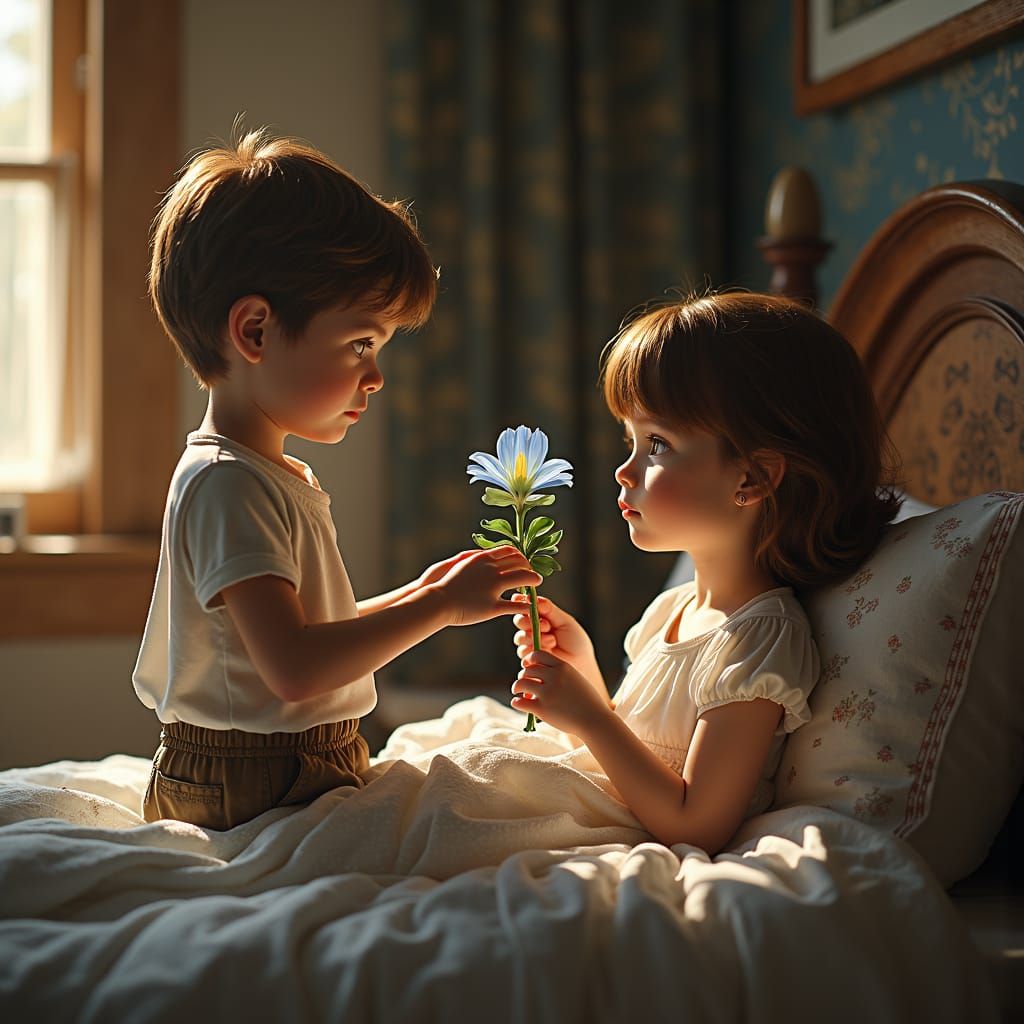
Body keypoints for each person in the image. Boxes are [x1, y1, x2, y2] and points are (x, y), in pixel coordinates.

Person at [134, 127, 541, 831]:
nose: (376, 376)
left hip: (295, 761)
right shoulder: (228, 483)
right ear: (255, 331)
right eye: (360, 344)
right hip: (254, 777)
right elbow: (293, 669)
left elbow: (306, 638)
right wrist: (438, 609)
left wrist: (430, 590)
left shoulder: (264, 472)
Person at [509, 292, 903, 855]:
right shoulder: (674, 610)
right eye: (632, 441)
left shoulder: (760, 639)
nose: (624, 470)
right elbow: (643, 746)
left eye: (657, 445)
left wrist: (592, 718)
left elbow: (696, 822)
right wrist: (587, 676)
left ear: (753, 477)